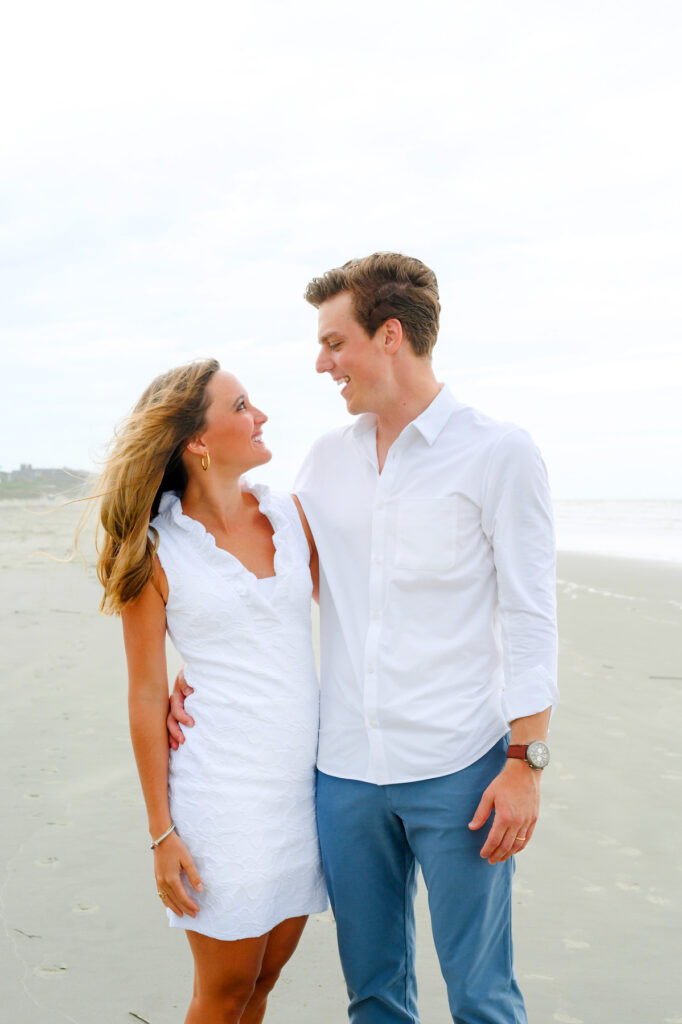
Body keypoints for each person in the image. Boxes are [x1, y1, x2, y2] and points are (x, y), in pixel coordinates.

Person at [170, 253, 558, 1024]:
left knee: (482, 997)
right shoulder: (324, 461)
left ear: (389, 336)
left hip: (460, 769)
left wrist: (525, 759)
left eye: (333, 342)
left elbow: (530, 615)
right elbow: (266, 577)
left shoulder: (499, 453)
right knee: (374, 997)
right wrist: (194, 665)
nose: (322, 364)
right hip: (344, 776)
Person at [94, 359, 328, 1024]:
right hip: (220, 800)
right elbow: (143, 696)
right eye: (242, 405)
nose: (261, 417)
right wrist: (161, 832)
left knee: (264, 980)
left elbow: (356, 615)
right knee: (223, 992)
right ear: (198, 442)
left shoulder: (291, 517)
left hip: (302, 792)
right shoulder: (157, 551)